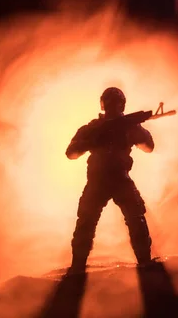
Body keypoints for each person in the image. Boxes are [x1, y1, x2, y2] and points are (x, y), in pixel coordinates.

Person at [65, 87, 155, 275]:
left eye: (117, 102)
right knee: (86, 223)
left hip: (120, 178)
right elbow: (71, 153)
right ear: (104, 104)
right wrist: (94, 139)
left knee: (136, 218)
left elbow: (148, 146)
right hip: (98, 180)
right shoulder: (92, 128)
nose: (115, 106)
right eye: (111, 102)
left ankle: (145, 263)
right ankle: (77, 267)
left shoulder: (127, 126)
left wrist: (133, 130)